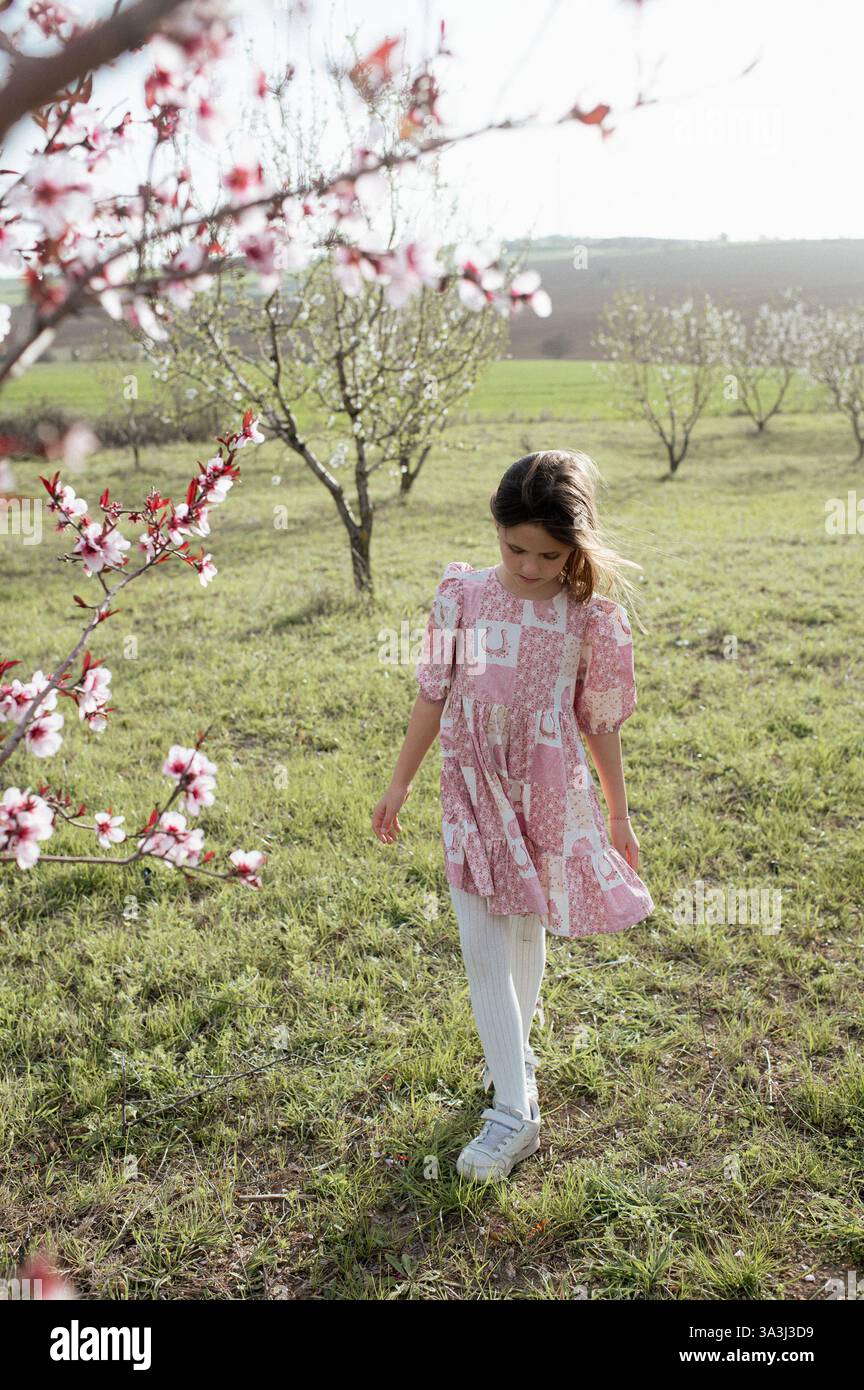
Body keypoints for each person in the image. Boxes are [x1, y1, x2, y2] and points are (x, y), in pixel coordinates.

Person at [371, 450, 655, 1181]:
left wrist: (619, 815)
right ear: (495, 530)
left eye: (549, 554)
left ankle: (513, 1075)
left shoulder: (588, 617)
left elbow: (598, 722)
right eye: (515, 548)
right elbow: (433, 693)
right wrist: (399, 784)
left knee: (525, 926)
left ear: (577, 548)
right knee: (481, 944)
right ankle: (516, 1110)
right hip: (472, 785)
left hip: (546, 790)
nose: (530, 566)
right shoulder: (461, 596)